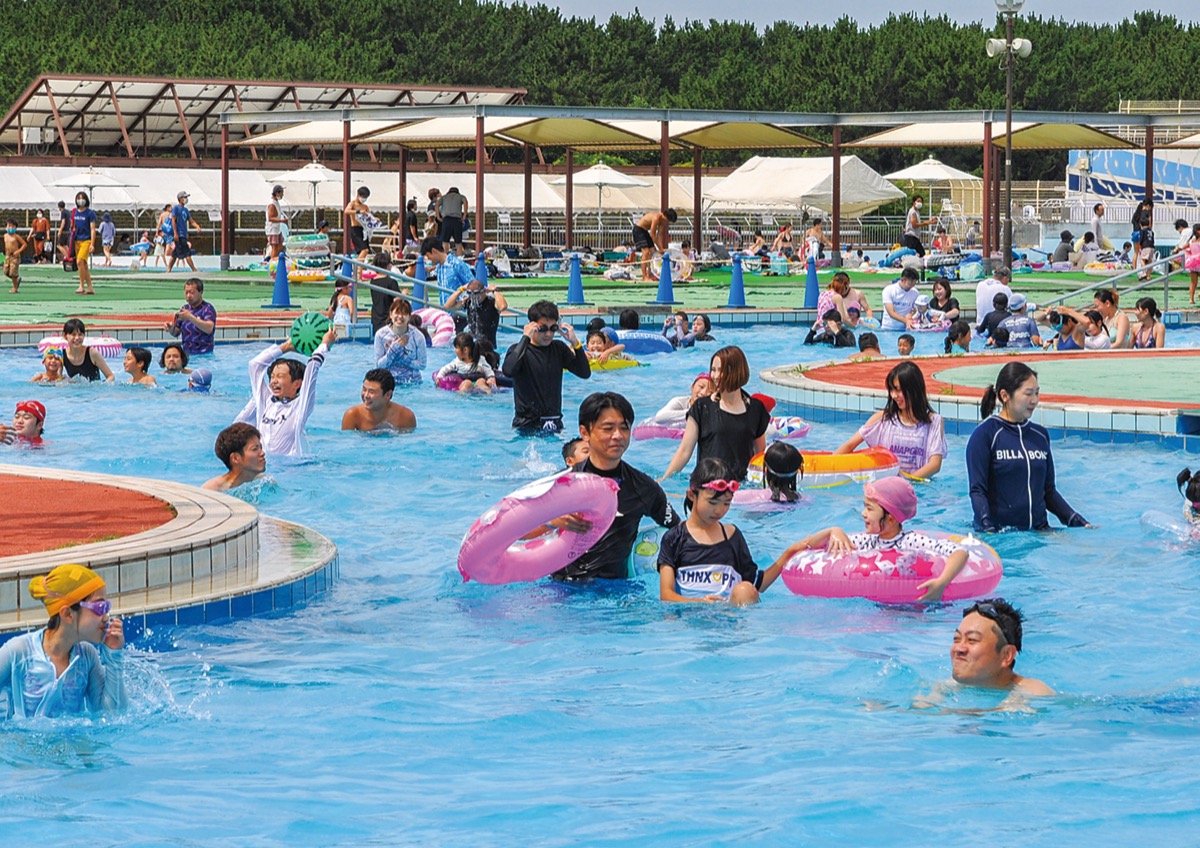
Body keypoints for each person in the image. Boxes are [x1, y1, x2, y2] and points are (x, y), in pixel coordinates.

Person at [544, 392, 681, 581]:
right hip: (564, 588)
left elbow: (678, 529)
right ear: (585, 432)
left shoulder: (644, 488)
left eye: (624, 428)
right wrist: (552, 520)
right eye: (608, 428)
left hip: (616, 592)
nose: (617, 436)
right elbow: (520, 531)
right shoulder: (562, 483)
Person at [658, 457, 807, 605]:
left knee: (745, 590)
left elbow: (757, 585)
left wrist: (790, 552)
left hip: (727, 616)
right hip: (688, 616)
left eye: (726, 503)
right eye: (712, 502)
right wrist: (698, 602)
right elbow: (666, 595)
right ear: (692, 495)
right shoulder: (674, 538)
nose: (719, 510)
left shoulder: (732, 536)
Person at [966, 361, 1089, 532]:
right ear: (1005, 395)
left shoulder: (1040, 436)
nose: (1034, 400)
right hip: (1002, 533)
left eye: (1037, 393)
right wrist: (988, 529)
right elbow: (977, 490)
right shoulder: (985, 435)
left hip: (1040, 531)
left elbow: (1049, 491)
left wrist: (1078, 521)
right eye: (1028, 394)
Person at [805, 477, 968, 602]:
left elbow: (960, 552)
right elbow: (810, 545)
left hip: (909, 607)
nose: (863, 513)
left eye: (869, 508)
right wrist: (833, 531)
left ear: (890, 519)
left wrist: (942, 582)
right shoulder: (867, 541)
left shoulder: (911, 541)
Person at [0, 564, 127, 718]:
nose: (106, 617)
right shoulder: (19, 652)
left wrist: (114, 655)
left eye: (107, 607)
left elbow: (112, 715)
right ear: (67, 614)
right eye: (99, 607)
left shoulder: (87, 657)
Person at [661, 346, 768, 483]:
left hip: (741, 487)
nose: (715, 376)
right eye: (713, 370)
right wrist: (664, 480)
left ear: (737, 371)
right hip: (707, 485)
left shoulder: (756, 409)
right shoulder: (701, 408)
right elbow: (684, 451)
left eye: (721, 370)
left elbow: (759, 456)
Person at [234, 327, 337, 458]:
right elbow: (255, 365)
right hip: (263, 467)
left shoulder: (300, 406)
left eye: (280, 376)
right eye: (272, 376)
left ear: (297, 383)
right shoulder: (265, 401)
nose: (273, 381)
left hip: (292, 470)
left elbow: (312, 369)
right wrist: (286, 346)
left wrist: (324, 345)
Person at [835, 360, 946, 479]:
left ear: (914, 389)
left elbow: (935, 464)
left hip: (918, 488)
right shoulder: (882, 419)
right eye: (891, 390)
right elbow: (849, 445)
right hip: (886, 486)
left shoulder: (934, 421)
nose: (894, 395)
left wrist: (906, 483)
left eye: (898, 390)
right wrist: (829, 465)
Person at [502, 301, 590, 434]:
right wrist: (525, 337)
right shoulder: (519, 350)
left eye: (553, 328)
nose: (548, 334)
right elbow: (508, 371)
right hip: (526, 424)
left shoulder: (559, 349)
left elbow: (584, 373)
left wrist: (575, 343)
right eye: (543, 328)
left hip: (554, 423)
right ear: (532, 326)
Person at [948, 599, 1054, 696]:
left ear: (1007, 655)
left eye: (972, 640)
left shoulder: (1034, 693)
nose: (958, 648)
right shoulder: (949, 686)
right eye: (956, 639)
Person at [341, 368, 416, 432]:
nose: (366, 395)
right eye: (364, 389)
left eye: (371, 392)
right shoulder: (353, 415)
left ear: (388, 395)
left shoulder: (405, 416)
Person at [374, 297, 427, 386]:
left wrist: (403, 357)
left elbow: (422, 365)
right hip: (388, 383)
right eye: (397, 313)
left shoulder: (417, 336)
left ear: (409, 317)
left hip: (412, 382)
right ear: (391, 314)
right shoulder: (381, 335)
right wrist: (393, 350)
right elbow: (379, 365)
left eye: (404, 314)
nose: (400, 317)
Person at [444, 276, 508, 348]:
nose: (474, 297)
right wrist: (461, 289)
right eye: (471, 294)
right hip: (473, 347)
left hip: (488, 348)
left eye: (476, 295)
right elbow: (448, 306)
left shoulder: (492, 302)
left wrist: (495, 291)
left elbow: (503, 306)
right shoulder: (469, 302)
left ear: (484, 292)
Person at [203, 423, 268, 491]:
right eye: (254, 449)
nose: (262, 453)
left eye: (261, 447)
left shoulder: (265, 483)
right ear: (235, 458)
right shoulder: (211, 490)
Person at [164, 278, 217, 355]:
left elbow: (209, 328)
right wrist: (170, 328)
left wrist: (190, 317)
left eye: (192, 293)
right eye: (186, 293)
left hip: (204, 354)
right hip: (187, 354)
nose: (188, 296)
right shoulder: (184, 309)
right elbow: (176, 333)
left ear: (201, 292)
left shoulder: (208, 308)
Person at [420, 236, 476, 307]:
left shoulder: (456, 264)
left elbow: (473, 284)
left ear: (434, 251)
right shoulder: (439, 268)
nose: (428, 259)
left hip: (460, 312)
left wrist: (463, 303)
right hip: (446, 313)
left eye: (428, 256)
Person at [646, 372, 715, 429]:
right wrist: (693, 412)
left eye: (710, 391)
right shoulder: (679, 402)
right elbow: (659, 417)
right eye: (701, 387)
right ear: (692, 387)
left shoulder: (713, 409)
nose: (704, 393)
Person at [632, 208, 678, 282]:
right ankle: (644, 276)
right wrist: (660, 248)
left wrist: (661, 248)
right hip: (638, 230)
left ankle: (650, 274)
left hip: (645, 231)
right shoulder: (656, 217)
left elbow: (659, 235)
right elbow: (652, 234)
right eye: (666, 220)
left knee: (653, 252)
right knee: (646, 252)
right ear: (664, 216)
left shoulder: (663, 222)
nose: (666, 222)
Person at [901, 194, 936, 279]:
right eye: (918, 201)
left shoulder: (916, 212)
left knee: (921, 254)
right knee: (916, 254)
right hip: (911, 237)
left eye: (921, 201)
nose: (920, 203)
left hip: (914, 237)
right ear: (914, 202)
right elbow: (914, 224)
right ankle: (909, 273)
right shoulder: (912, 211)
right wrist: (926, 223)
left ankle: (919, 271)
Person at [70, 191, 98, 294]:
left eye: (82, 198)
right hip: (77, 240)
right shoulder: (74, 212)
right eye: (78, 198)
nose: (80, 200)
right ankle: (90, 287)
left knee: (79, 261)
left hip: (86, 240)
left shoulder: (90, 213)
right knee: (83, 264)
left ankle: (81, 285)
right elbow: (72, 226)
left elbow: (92, 229)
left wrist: (92, 244)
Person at [166, 192, 200, 274]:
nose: (186, 199)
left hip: (183, 234)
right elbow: (173, 220)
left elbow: (191, 220)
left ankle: (169, 269)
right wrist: (175, 233)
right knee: (187, 252)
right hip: (179, 234)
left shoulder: (185, 210)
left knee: (175, 254)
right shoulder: (176, 208)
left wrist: (197, 226)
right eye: (184, 197)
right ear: (180, 198)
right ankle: (194, 269)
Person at [974, 266, 1013, 332]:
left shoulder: (980, 285)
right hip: (996, 328)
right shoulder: (1005, 289)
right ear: (1005, 278)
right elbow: (1015, 305)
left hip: (979, 325)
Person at [437, 186, 469, 255]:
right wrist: (464, 215)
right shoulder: (460, 196)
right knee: (458, 242)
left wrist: (438, 216)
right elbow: (465, 201)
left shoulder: (444, 197)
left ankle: (445, 257)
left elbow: (437, 204)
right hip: (457, 220)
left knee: (445, 240)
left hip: (446, 219)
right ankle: (459, 258)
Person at [265, 184, 289, 261]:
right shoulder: (272, 204)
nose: (282, 195)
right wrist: (282, 220)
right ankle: (272, 262)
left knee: (280, 246)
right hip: (272, 230)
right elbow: (270, 218)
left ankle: (276, 260)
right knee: (274, 247)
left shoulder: (276, 202)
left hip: (277, 229)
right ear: (277, 193)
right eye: (281, 193)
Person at [4, 219, 27, 293]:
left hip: (15, 256)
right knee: (6, 272)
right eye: (8, 225)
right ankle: (17, 280)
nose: (9, 227)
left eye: (11, 226)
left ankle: (15, 288)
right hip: (8, 256)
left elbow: (24, 244)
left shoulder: (16, 236)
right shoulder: (5, 236)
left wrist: (18, 251)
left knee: (13, 273)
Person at [1185, 223, 1200, 304]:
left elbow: (1187, 249)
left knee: (1193, 282)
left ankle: (1191, 299)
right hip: (1199, 262)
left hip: (1193, 263)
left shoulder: (1191, 241)